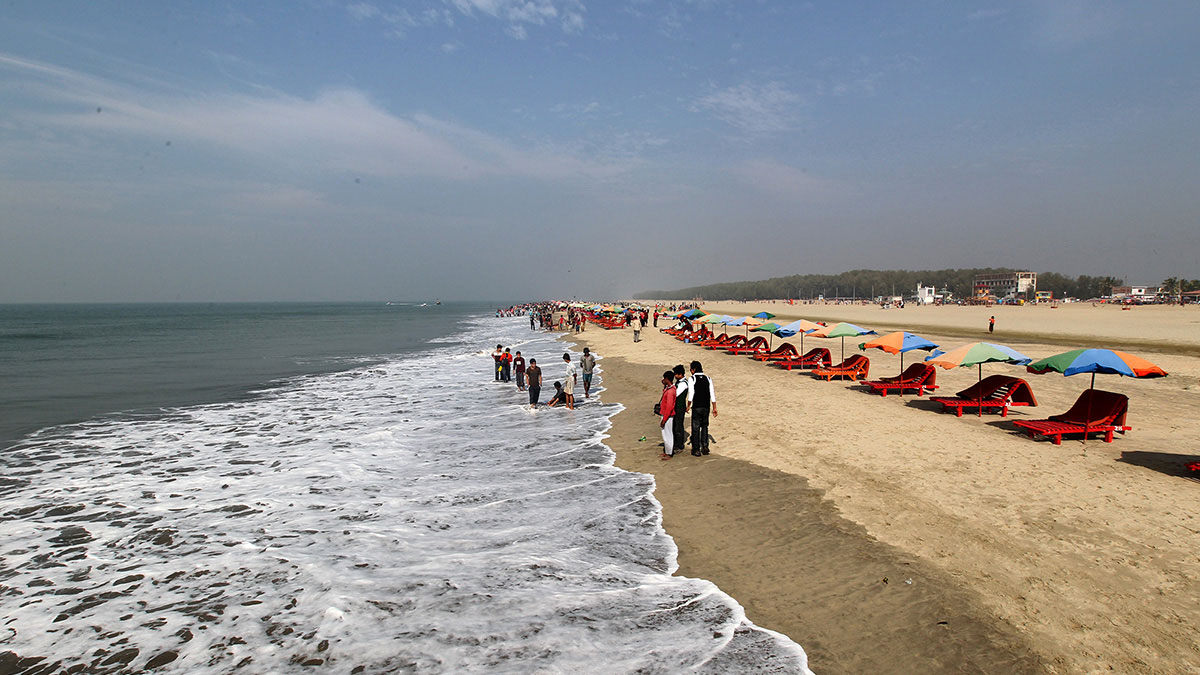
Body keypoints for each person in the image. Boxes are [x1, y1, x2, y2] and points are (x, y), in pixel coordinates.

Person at [687, 360, 717, 456]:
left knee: (695, 428)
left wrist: (688, 405)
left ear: (694, 369)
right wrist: (714, 408)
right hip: (706, 406)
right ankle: (705, 446)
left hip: (697, 406)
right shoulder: (708, 378)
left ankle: (696, 449)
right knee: (704, 426)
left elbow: (691, 394)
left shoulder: (692, 379)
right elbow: (712, 393)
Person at [658, 370, 677, 460]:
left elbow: (669, 407)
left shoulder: (670, 392)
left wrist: (664, 419)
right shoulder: (670, 389)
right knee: (665, 434)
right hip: (666, 415)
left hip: (668, 416)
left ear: (666, 379)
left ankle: (669, 453)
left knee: (668, 434)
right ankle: (667, 451)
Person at [672, 364, 688, 452]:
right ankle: (676, 443)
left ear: (680, 374)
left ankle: (679, 444)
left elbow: (676, 394)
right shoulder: (678, 383)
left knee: (678, 425)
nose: (675, 376)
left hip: (680, 407)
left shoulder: (683, 384)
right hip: (677, 406)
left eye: (676, 374)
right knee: (675, 425)